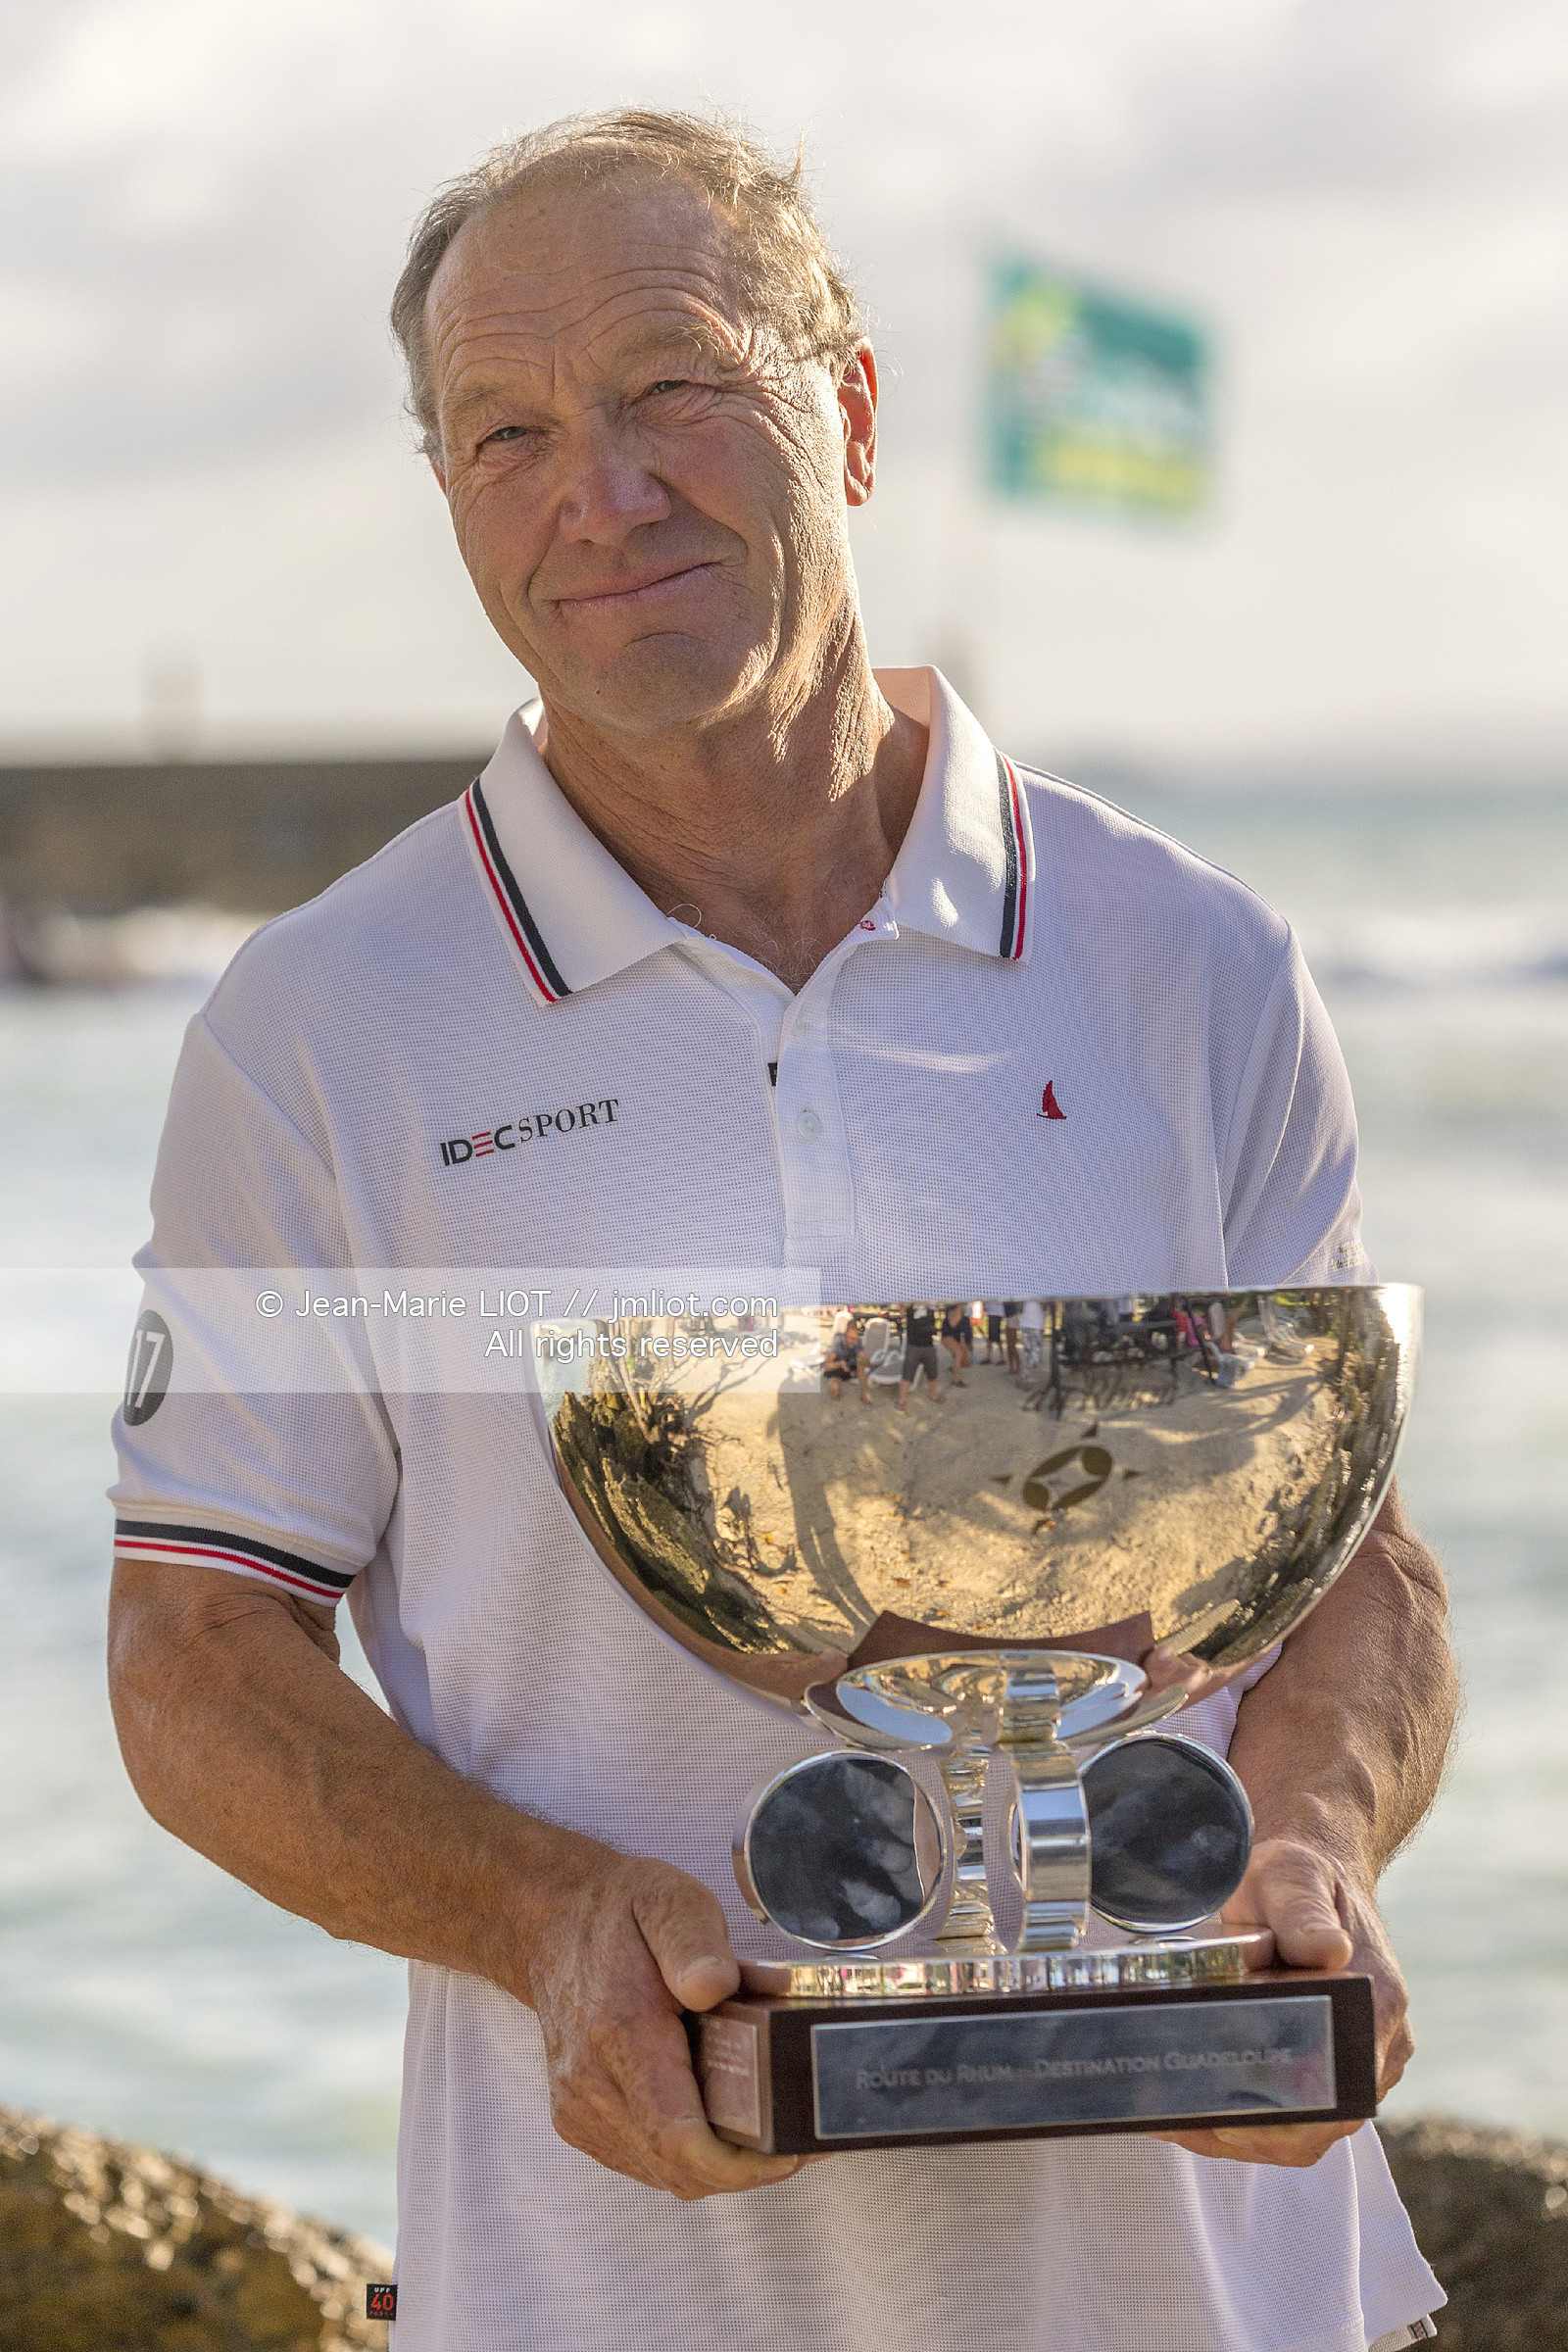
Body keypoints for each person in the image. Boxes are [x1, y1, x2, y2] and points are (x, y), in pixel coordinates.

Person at [107, 110, 1454, 2352]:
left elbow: (1356, 1561)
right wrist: (549, 1921)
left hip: (1216, 2291)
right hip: (606, 2287)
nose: (596, 492)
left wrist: (1306, 1842)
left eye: (671, 387)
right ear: (446, 491)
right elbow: (191, 1667)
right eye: (504, 433)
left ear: (841, 405)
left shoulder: (1185, 954)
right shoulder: (313, 1025)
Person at [897, 1302, 945, 1409]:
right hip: (913, 1345)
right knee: (907, 1374)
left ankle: (933, 1396)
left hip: (928, 1344)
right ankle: (902, 1401)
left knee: (932, 1373)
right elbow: (901, 1309)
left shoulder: (931, 1301)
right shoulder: (910, 1301)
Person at [823, 1313, 870, 1402]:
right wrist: (840, 1364)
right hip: (838, 1369)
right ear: (845, 1333)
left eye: (855, 1338)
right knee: (835, 1388)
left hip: (850, 1368)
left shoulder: (857, 1341)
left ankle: (864, 1394)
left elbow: (867, 1364)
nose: (854, 1341)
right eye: (851, 1338)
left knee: (861, 1361)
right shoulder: (838, 1341)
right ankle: (837, 1394)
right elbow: (826, 1366)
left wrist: (865, 1360)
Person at [939, 1300, 972, 1383]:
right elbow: (952, 1323)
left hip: (959, 1336)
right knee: (959, 1353)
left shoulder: (965, 1307)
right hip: (948, 1335)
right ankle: (956, 1379)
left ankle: (954, 1367)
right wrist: (959, 1310)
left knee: (967, 1362)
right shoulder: (955, 1307)